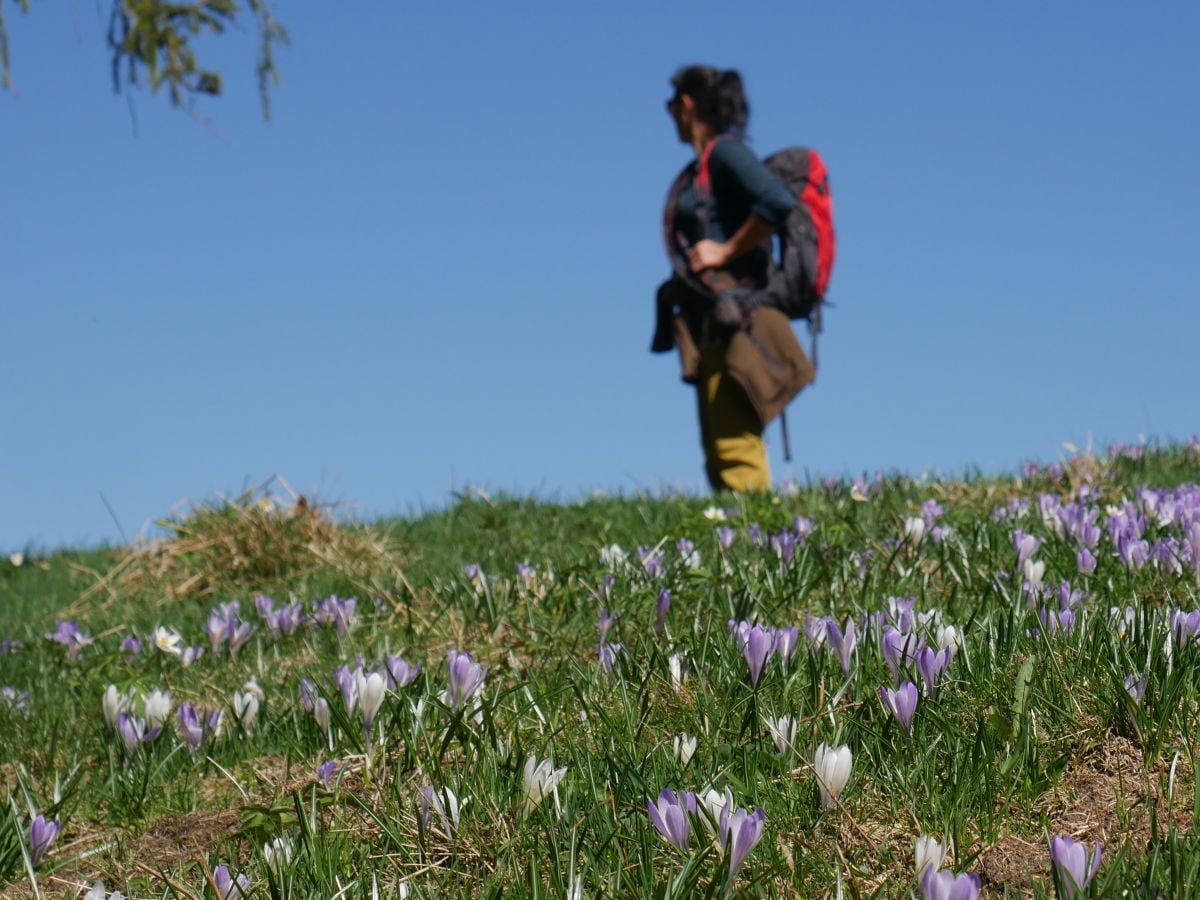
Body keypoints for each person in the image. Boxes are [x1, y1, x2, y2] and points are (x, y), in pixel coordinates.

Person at [652, 65, 814, 492]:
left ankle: (754, 538)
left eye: (671, 105)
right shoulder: (705, 165)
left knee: (734, 443)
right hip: (713, 319)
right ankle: (740, 535)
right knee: (719, 443)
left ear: (685, 105)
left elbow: (778, 203)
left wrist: (725, 250)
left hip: (738, 318)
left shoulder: (725, 153)